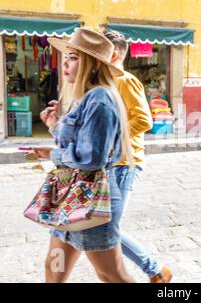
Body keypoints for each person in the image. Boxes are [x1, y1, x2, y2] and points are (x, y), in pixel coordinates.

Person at [33, 27, 136, 283]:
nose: (65, 64)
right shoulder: (84, 98)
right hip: (70, 197)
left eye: (74, 58)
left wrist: (53, 154)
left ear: (91, 64)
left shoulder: (100, 99)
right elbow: (77, 143)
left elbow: (92, 157)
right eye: (66, 57)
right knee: (54, 266)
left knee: (110, 274)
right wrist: (55, 126)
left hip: (92, 202)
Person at [102, 28, 172, 283]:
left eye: (100, 49)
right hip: (108, 164)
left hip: (124, 163)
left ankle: (155, 270)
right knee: (101, 227)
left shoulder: (126, 80)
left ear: (115, 54)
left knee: (107, 227)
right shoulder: (105, 82)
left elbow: (143, 120)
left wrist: (110, 139)